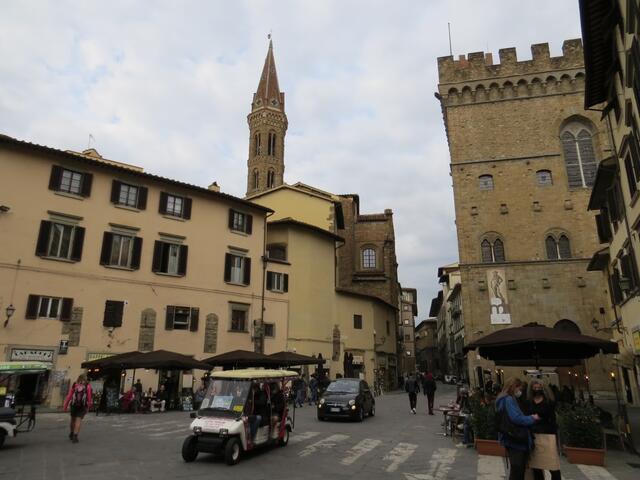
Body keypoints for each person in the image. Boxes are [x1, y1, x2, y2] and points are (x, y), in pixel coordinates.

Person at [495, 378, 540, 480]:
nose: (520, 391)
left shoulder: (503, 399)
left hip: (510, 437)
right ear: (514, 387)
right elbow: (515, 418)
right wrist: (532, 418)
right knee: (517, 470)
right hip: (515, 437)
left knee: (517, 469)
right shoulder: (509, 399)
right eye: (519, 388)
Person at [525, 380, 561, 480]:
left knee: (552, 465)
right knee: (536, 465)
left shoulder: (549, 402)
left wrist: (540, 418)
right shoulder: (529, 402)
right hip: (534, 434)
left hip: (548, 434)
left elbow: (552, 418)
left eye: (539, 388)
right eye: (535, 388)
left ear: (543, 389)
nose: (537, 390)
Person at [63, 374, 93, 443]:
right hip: (82, 406)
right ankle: (75, 436)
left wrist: (65, 406)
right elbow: (89, 397)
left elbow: (69, 396)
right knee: (78, 421)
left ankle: (71, 433)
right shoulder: (87, 386)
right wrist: (89, 406)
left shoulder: (75, 385)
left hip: (74, 405)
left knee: (72, 420)